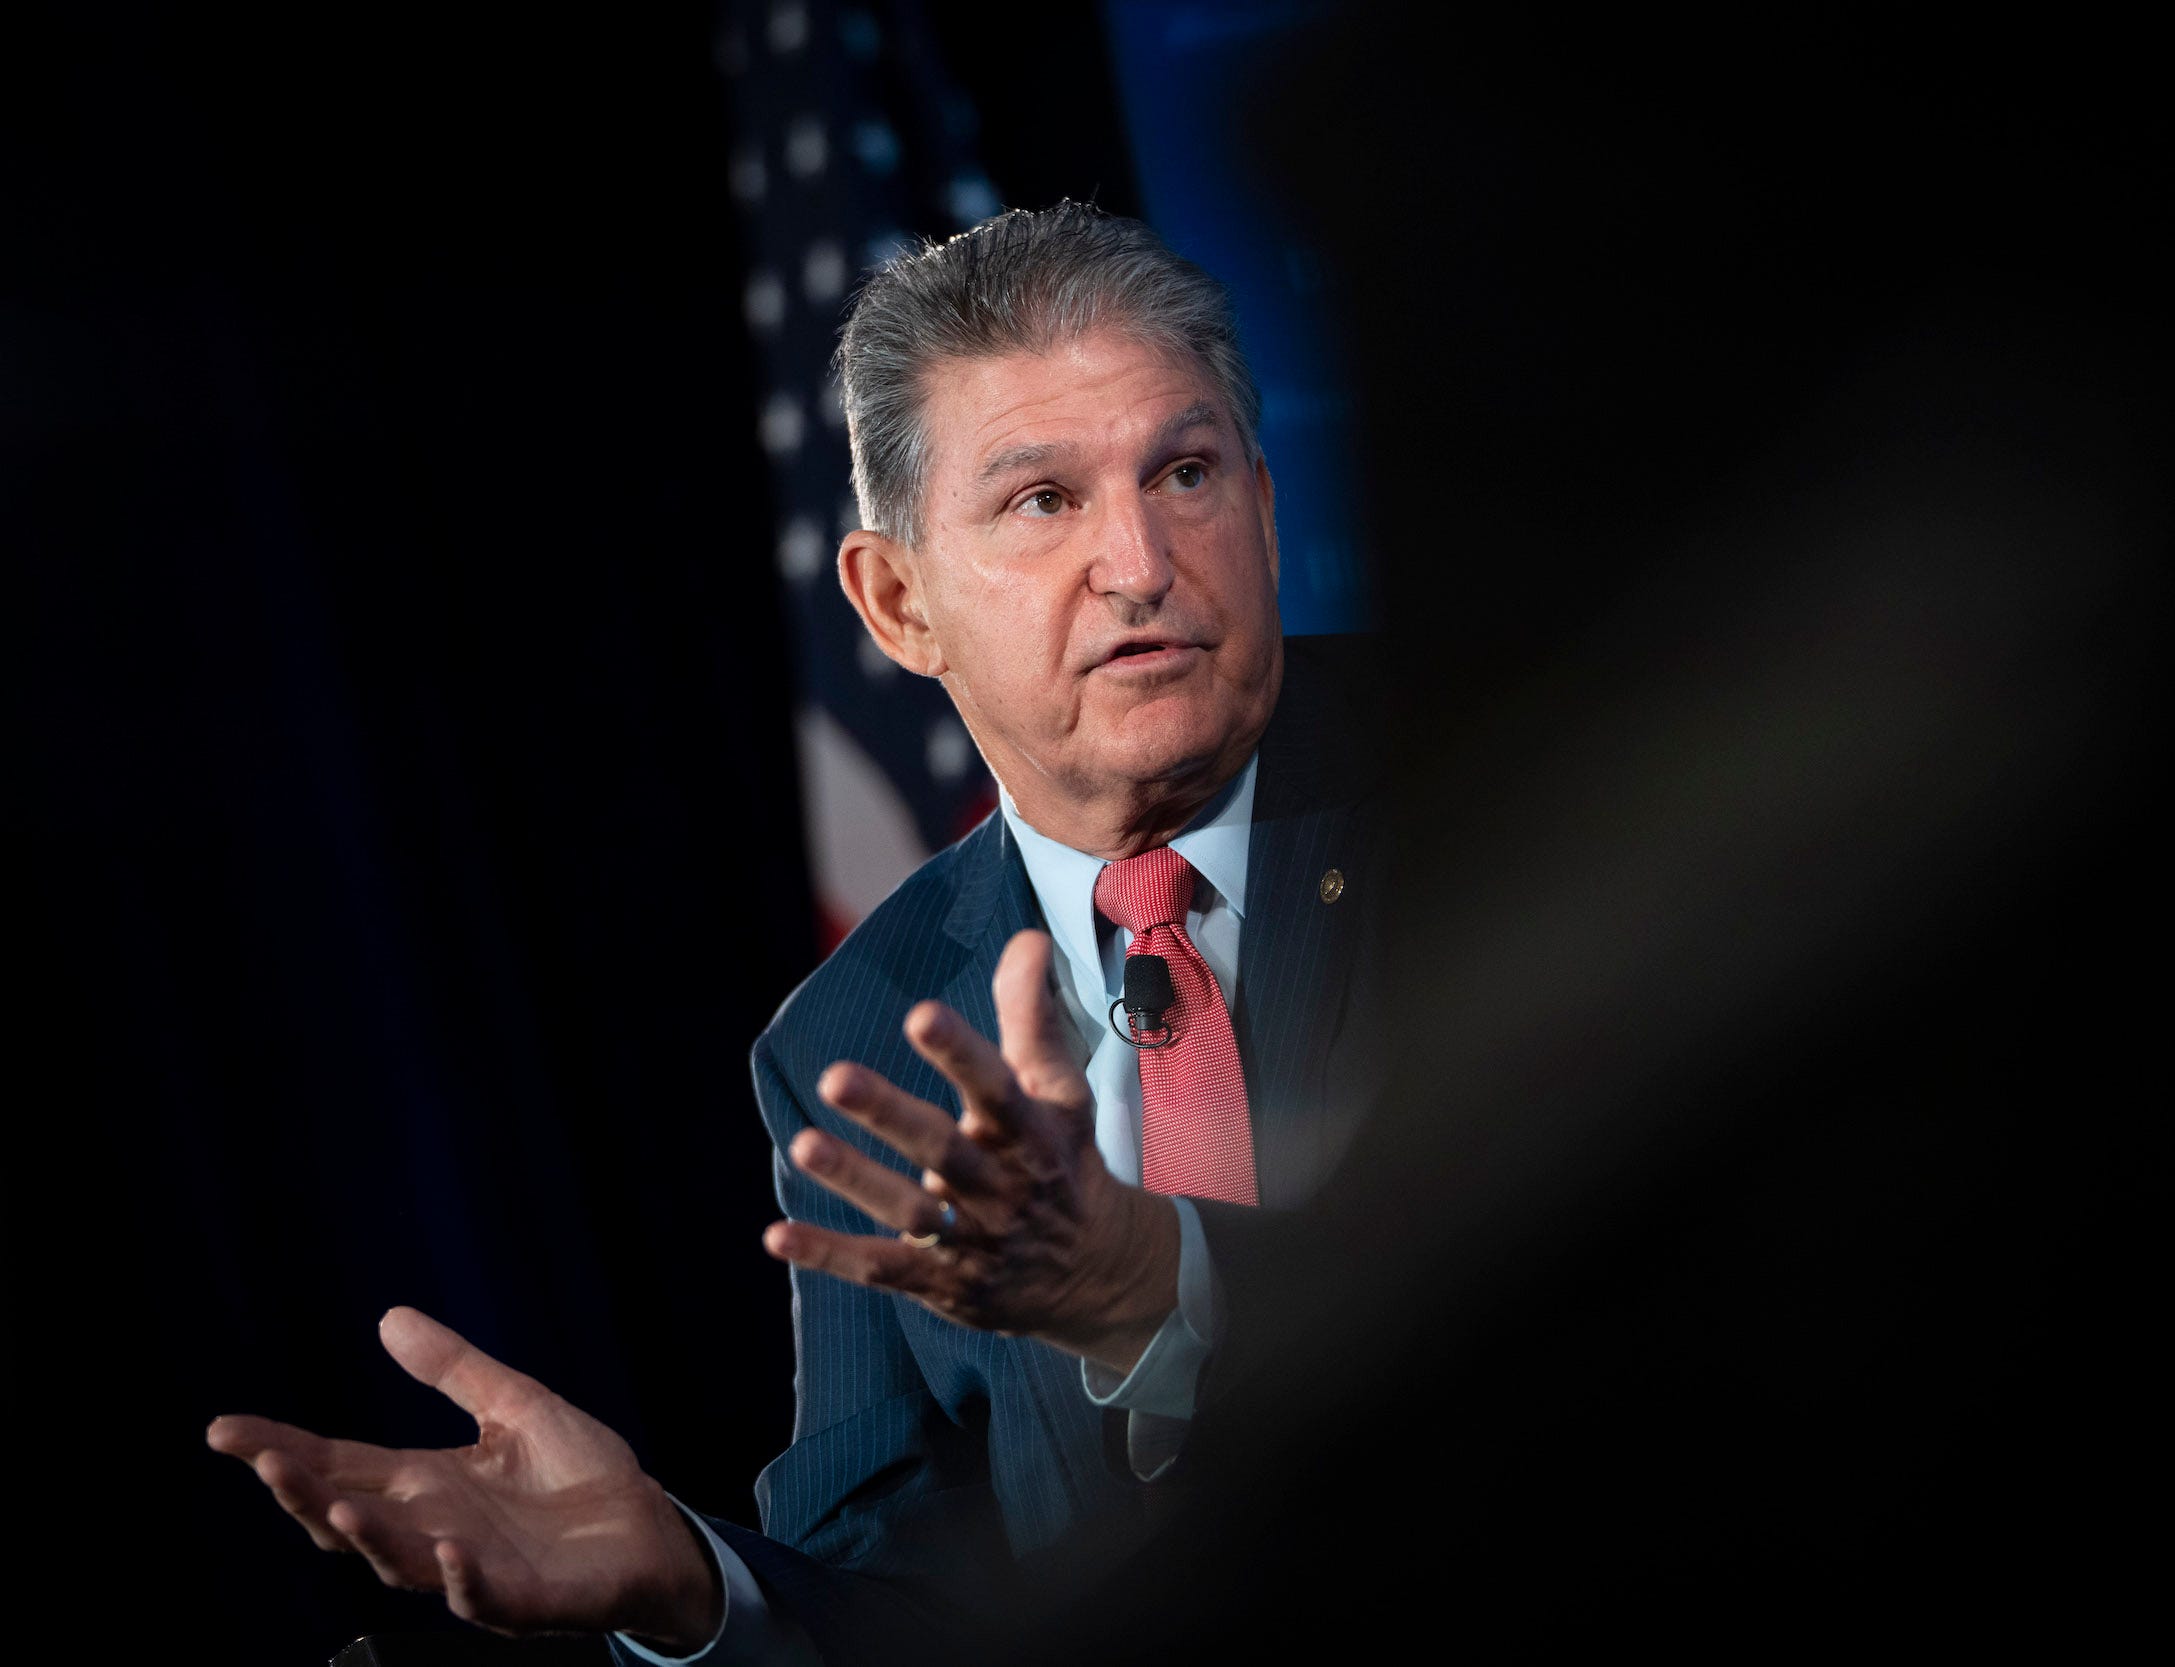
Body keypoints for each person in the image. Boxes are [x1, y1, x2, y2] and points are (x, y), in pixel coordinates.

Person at [206, 203, 1391, 1661]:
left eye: (1185, 471)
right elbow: (915, 1590)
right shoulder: (855, 1032)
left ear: (1267, 509)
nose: (1140, 561)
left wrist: (1157, 1288)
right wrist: (695, 1585)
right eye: (1042, 501)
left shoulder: (1488, 764)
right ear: (899, 604)